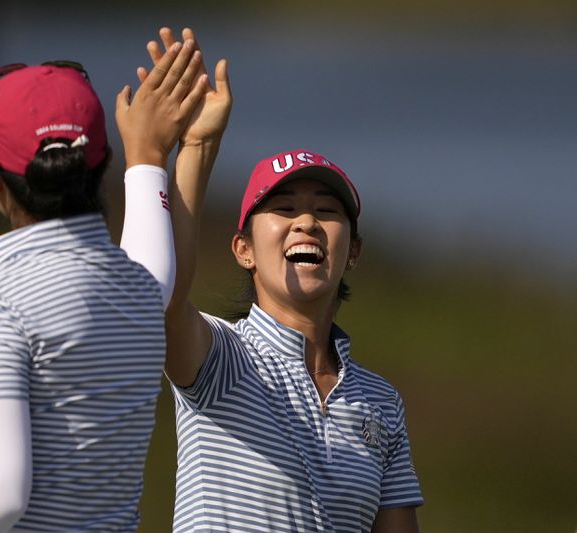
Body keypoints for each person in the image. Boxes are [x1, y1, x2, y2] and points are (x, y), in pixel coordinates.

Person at [0, 40, 209, 532]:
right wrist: (150, 156)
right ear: (99, 165)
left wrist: (148, 155)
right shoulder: (138, 292)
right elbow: (155, 263)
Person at [138, 28, 423, 532]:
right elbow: (161, 299)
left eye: (327, 212)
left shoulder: (381, 403)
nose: (307, 223)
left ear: (352, 252)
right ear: (243, 249)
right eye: (284, 209)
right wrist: (198, 148)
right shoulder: (223, 358)